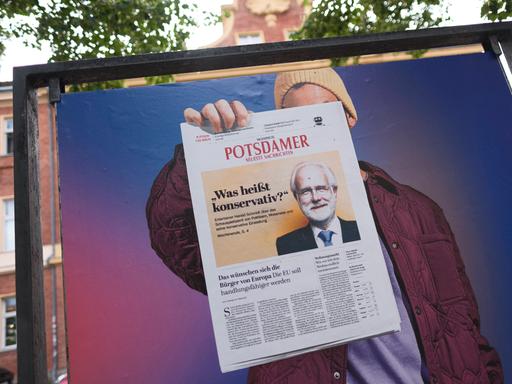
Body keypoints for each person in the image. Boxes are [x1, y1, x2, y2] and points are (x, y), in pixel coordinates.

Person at [146, 68, 503, 383]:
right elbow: (182, 247)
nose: (312, 123)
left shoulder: (417, 207)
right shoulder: (271, 208)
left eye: (323, 113)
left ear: (349, 116)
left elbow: (461, 318)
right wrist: (195, 157)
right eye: (296, 116)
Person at [276, 161, 360, 256]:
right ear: (297, 198)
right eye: (305, 192)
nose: (315, 198)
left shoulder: (361, 229)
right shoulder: (286, 245)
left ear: (334, 191)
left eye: (321, 188)